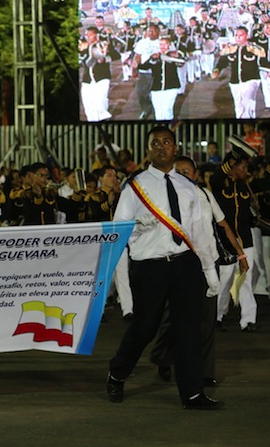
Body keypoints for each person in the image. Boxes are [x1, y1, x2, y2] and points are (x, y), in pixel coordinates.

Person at [107, 125, 223, 410]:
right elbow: (118, 232)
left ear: (176, 147)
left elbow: (200, 232)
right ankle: (117, 373)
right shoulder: (135, 187)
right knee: (145, 328)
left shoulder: (188, 187)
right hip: (150, 267)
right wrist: (135, 227)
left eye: (166, 142)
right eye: (155, 143)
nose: (161, 147)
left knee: (188, 329)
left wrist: (209, 271)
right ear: (148, 150)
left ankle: (192, 393)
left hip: (184, 264)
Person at [150, 155, 248, 388]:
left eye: (187, 172)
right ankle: (163, 357)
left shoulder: (205, 195)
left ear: (195, 175)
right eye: (178, 172)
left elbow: (223, 225)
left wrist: (241, 255)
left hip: (208, 265)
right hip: (178, 265)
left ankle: (205, 371)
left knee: (206, 320)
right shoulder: (163, 198)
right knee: (172, 318)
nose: (183, 176)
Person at [210, 138, 258, 332]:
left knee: (245, 279)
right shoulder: (220, 184)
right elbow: (215, 178)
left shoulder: (246, 186)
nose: (246, 170)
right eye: (243, 166)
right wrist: (232, 158)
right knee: (226, 279)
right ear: (233, 167)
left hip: (245, 240)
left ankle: (248, 320)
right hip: (226, 242)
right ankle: (218, 314)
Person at [212, 27, 266, 119]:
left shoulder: (255, 49)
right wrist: (217, 70)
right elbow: (222, 61)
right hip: (235, 81)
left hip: (251, 80)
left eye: (241, 35)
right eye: (236, 35)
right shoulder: (230, 48)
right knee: (238, 105)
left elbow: (264, 62)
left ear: (247, 36)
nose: (238, 37)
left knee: (248, 102)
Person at [79, 26, 120, 121]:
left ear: (96, 35)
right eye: (86, 35)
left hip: (102, 77)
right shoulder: (83, 47)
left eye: (90, 35)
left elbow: (116, 56)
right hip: (87, 79)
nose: (87, 37)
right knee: (88, 102)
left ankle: (102, 119)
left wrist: (105, 59)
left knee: (100, 100)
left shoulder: (104, 45)